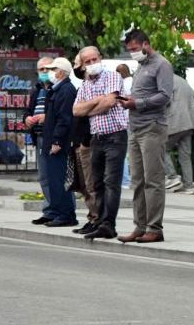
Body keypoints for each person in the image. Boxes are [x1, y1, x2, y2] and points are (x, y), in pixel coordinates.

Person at [117, 30, 174, 244]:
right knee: (138, 181)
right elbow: (144, 94)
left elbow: (165, 96)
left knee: (153, 180)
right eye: (129, 50)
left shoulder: (162, 65)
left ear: (146, 44)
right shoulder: (141, 67)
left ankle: (154, 228)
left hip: (153, 127)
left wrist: (137, 103)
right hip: (136, 127)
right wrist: (129, 99)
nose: (132, 53)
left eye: (134, 49)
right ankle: (139, 226)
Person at [73, 46, 128, 241]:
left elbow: (109, 103)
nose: (91, 64)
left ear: (100, 58)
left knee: (111, 182)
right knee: (97, 184)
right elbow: (76, 110)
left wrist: (91, 108)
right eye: (87, 62)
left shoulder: (112, 76)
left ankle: (108, 224)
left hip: (115, 135)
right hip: (97, 137)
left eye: (94, 59)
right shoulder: (86, 84)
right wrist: (96, 102)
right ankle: (100, 221)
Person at [40, 57, 78, 227]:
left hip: (59, 144)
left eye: (53, 69)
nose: (50, 73)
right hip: (51, 141)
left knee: (59, 179)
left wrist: (57, 141)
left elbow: (65, 119)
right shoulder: (56, 90)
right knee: (53, 179)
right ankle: (56, 212)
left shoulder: (66, 90)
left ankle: (66, 214)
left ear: (61, 72)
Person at [70, 55, 100, 235]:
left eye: (76, 64)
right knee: (84, 185)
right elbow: (76, 110)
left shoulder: (96, 86)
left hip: (89, 140)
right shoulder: (83, 87)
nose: (76, 67)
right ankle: (92, 216)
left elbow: (85, 110)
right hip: (80, 140)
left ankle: (97, 218)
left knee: (91, 183)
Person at [24, 56, 55, 225]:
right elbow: (28, 111)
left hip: (53, 138)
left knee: (58, 176)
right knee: (44, 177)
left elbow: (62, 113)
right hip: (40, 137)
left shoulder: (57, 88)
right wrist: (27, 118)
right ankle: (49, 210)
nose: (44, 72)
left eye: (47, 69)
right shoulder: (36, 91)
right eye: (41, 69)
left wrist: (47, 117)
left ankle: (61, 210)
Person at [165, 73, 194, 194]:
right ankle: (188, 186)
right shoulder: (182, 81)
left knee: (161, 149)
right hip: (190, 122)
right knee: (185, 155)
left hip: (175, 122)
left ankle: (172, 177)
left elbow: (164, 101)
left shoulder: (165, 80)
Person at [117, 64, 134, 189]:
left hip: (125, 121)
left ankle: (125, 180)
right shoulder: (133, 81)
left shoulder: (122, 84)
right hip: (135, 120)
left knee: (124, 152)